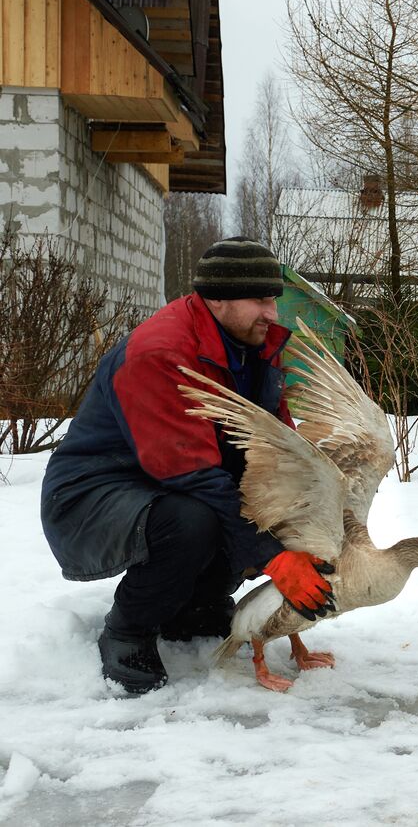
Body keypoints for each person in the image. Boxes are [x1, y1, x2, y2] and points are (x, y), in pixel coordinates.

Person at [41, 237, 335, 694]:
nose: (272, 313)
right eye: (260, 299)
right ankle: (128, 630)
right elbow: (192, 477)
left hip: (167, 482)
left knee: (244, 495)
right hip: (91, 495)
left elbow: (273, 449)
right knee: (195, 517)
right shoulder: (161, 353)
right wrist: (272, 556)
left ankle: (195, 607)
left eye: (272, 299)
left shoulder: (248, 345)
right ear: (216, 298)